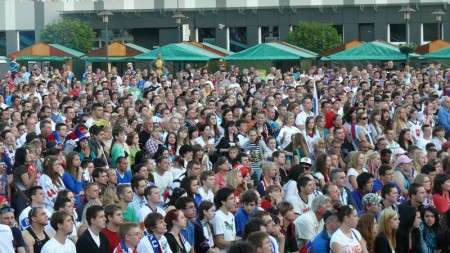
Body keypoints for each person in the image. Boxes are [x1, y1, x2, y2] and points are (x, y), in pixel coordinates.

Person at [211, 187, 236, 253]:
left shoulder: (231, 215)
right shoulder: (217, 217)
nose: (234, 201)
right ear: (223, 201)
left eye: (234, 198)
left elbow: (233, 237)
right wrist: (237, 244)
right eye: (231, 198)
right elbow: (219, 242)